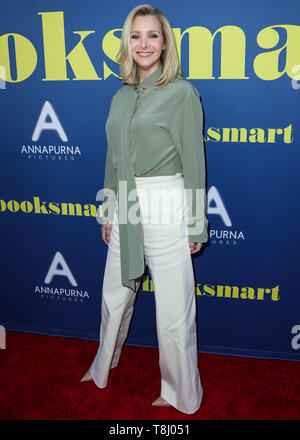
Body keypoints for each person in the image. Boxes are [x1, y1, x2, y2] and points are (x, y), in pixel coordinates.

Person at [81, 3, 209, 415]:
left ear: (165, 42)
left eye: (152, 35)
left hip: (166, 204)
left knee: (173, 309)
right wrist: (108, 208)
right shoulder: (120, 96)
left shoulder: (182, 93)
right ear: (127, 42)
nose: (143, 43)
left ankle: (179, 393)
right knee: (113, 295)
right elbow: (112, 157)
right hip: (126, 203)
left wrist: (195, 224)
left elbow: (194, 162)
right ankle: (103, 364)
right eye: (135, 36)